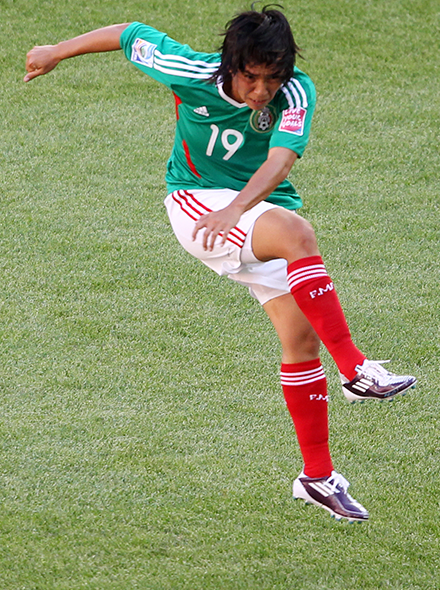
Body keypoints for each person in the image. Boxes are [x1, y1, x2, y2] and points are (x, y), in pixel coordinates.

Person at [23, 7, 416, 523]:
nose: (261, 91)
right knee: (298, 235)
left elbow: (281, 160)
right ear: (230, 64)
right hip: (198, 203)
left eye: (272, 78)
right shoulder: (188, 69)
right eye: (251, 77)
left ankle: (316, 478)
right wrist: (56, 51)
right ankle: (357, 370)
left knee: (301, 343)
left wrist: (240, 206)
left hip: (252, 210)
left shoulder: (297, 91)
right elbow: (129, 34)